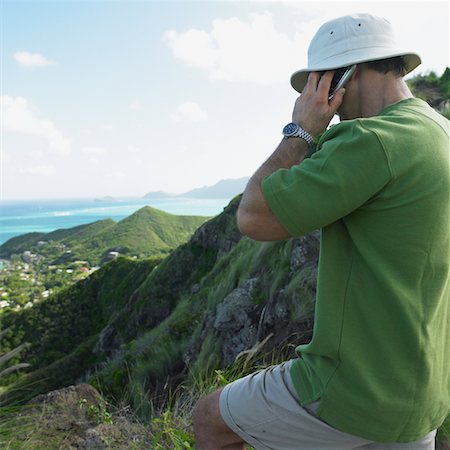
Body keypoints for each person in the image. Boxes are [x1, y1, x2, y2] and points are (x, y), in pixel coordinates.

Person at [192, 13, 450, 450]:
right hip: (420, 395)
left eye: (319, 78)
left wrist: (302, 130)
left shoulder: (370, 140)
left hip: (352, 390)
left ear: (343, 72)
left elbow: (253, 216)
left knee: (210, 419)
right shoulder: (439, 132)